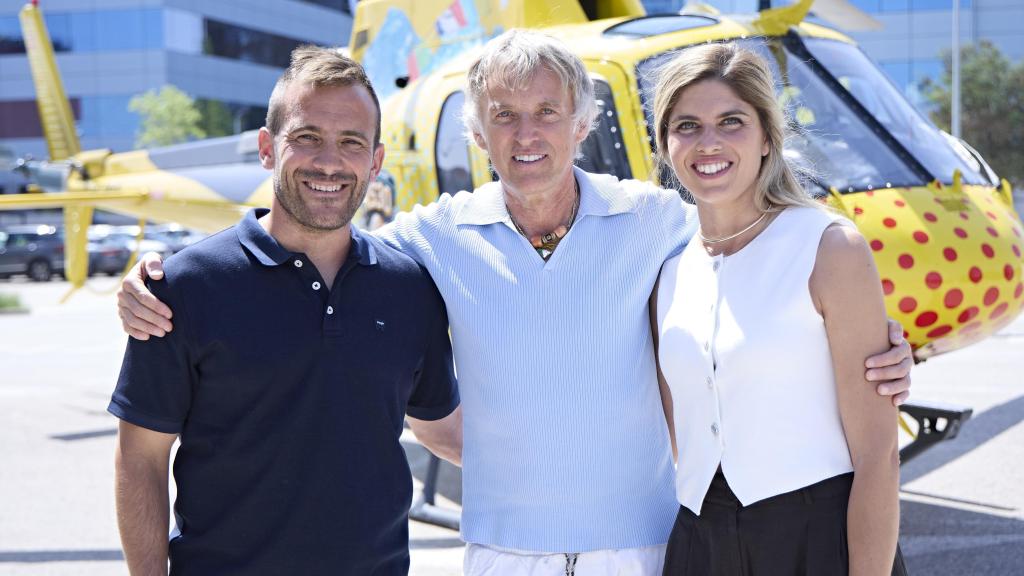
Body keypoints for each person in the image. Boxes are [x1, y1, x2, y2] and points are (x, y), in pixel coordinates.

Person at [115, 31, 912, 576]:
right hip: (501, 554)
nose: (526, 133)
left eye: (546, 113)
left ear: (581, 124)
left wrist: (884, 340)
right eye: (503, 115)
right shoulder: (430, 238)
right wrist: (155, 271)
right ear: (478, 133)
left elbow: (769, 260)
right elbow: (316, 239)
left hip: (641, 550)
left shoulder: (659, 220)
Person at [109, 47, 460, 575]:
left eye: (351, 143)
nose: (329, 161)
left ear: (375, 160)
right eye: (308, 138)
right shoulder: (183, 287)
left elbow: (440, 427)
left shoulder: (409, 287)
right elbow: (141, 458)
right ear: (268, 147)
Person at [650, 43, 905, 575]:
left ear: (768, 136)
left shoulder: (829, 247)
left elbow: (878, 458)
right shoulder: (666, 270)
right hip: (699, 545)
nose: (709, 142)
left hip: (815, 542)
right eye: (687, 126)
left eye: (731, 121)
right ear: (665, 144)